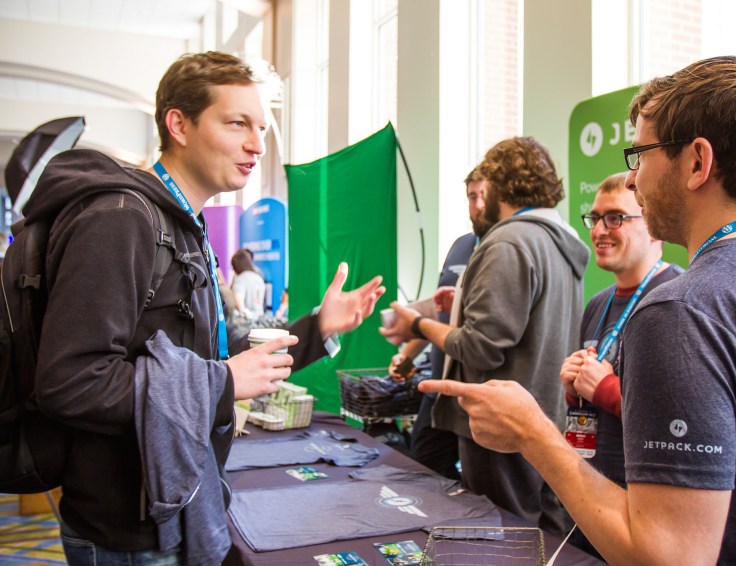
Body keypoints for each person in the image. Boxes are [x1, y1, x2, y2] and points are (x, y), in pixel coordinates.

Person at [420, 55, 736, 565]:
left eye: (640, 155)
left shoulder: (686, 310)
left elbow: (667, 556)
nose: (636, 178)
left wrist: (533, 434)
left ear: (696, 162)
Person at [28, 51, 384, 565]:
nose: (257, 145)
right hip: (127, 530)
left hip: (172, 508)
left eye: (261, 127)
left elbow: (208, 356)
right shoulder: (121, 219)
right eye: (237, 123)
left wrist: (316, 329)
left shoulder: (181, 225)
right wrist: (221, 385)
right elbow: (70, 381)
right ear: (179, 124)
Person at [382, 136, 590, 535]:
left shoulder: (509, 240)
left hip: (500, 421)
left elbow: (481, 348)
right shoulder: (559, 240)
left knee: (501, 534)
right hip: (544, 414)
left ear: (502, 185)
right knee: (542, 532)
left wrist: (418, 325)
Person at [560, 172, 683, 558]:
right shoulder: (598, 303)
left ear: (654, 226)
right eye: (595, 218)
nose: (599, 230)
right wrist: (574, 387)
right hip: (591, 493)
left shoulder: (677, 301)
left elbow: (684, 420)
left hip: (643, 509)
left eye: (615, 217)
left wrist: (607, 390)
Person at [385, 167, 487, 479]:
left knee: (478, 483)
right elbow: (438, 316)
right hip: (440, 385)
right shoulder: (459, 245)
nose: (478, 204)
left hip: (478, 388)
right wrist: (407, 355)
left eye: (485, 195)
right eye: (472, 196)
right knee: (423, 464)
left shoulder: (503, 250)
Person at [231, 248, 266, 319]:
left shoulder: (240, 280)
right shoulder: (259, 278)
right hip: (260, 320)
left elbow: (240, 306)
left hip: (246, 323)